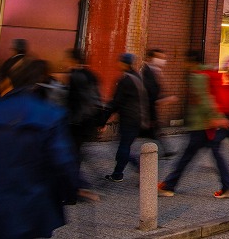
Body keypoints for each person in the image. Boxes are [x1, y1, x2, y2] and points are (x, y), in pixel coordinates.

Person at [0, 58, 79, 239]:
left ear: (8, 82)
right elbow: (63, 162)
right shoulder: (50, 115)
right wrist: (71, 190)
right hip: (31, 206)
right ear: (36, 85)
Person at [158, 50, 229, 199]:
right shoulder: (207, 72)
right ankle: (228, 186)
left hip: (202, 125)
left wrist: (215, 117)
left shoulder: (197, 77)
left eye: (185, 61)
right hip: (205, 124)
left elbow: (204, 99)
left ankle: (169, 185)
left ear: (191, 62)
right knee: (206, 155)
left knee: (187, 157)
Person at [101, 53, 150, 182]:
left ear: (124, 63)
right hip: (137, 118)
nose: (118, 64)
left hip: (128, 118)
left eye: (120, 62)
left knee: (123, 147)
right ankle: (122, 171)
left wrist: (103, 119)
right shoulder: (137, 77)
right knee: (124, 146)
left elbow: (116, 102)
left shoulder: (125, 80)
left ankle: (120, 173)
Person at [65, 48, 102, 198]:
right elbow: (97, 99)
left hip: (77, 122)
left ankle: (75, 187)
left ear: (72, 60)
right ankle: (79, 184)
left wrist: (72, 120)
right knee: (78, 153)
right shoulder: (92, 75)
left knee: (73, 154)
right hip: (87, 121)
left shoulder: (76, 76)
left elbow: (75, 102)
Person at [141, 48, 176, 158]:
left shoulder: (155, 71)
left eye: (163, 58)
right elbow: (149, 94)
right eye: (159, 58)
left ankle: (165, 150)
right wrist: (163, 100)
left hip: (150, 109)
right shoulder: (146, 72)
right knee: (150, 132)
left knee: (155, 131)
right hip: (146, 109)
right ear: (150, 58)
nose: (162, 60)